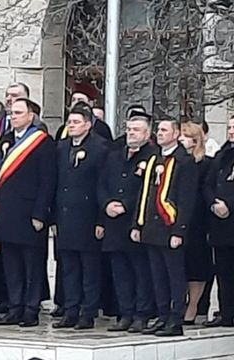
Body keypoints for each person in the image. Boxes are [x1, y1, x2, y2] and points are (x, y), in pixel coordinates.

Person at [0, 98, 56, 327]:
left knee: (32, 264)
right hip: (6, 212)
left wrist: (40, 214)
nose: (12, 116)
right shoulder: (5, 141)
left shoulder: (42, 142)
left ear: (31, 116)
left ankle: (30, 309)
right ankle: (15, 307)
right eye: (11, 113)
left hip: (29, 213)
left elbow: (48, 181)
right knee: (11, 264)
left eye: (17, 112)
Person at [131, 119, 198, 336]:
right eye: (158, 130)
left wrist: (179, 231)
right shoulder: (154, 158)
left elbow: (186, 200)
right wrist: (137, 224)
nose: (159, 134)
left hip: (170, 227)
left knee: (174, 275)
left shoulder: (184, 161)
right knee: (157, 275)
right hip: (151, 227)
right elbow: (144, 195)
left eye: (164, 130)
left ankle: (175, 318)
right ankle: (162, 315)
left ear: (176, 133)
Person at [98, 111, 157, 332]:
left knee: (140, 271)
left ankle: (142, 314)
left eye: (137, 130)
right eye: (129, 129)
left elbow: (146, 189)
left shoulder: (152, 156)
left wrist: (125, 205)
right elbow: (101, 183)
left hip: (135, 221)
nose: (131, 134)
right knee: (120, 271)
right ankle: (126, 313)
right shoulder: (115, 155)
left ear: (147, 133)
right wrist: (106, 204)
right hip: (113, 221)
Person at [52, 102, 108, 330]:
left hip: (87, 216)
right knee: (69, 267)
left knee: (89, 268)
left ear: (87, 125)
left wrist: (100, 220)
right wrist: (53, 218)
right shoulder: (62, 147)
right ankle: (70, 309)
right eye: (69, 122)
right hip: (65, 215)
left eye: (76, 122)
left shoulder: (101, 148)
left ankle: (88, 311)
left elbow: (103, 185)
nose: (71, 126)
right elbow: (56, 183)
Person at [178, 121, 212, 325]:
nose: (181, 139)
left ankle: (194, 306)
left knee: (196, 265)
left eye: (185, 135)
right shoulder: (178, 161)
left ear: (195, 140)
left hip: (199, 220)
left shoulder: (206, 163)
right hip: (179, 217)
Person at [205, 116, 234, 327]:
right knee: (223, 270)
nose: (231, 131)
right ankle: (226, 312)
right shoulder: (222, 155)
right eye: (230, 127)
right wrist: (214, 203)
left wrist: (229, 205)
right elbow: (208, 183)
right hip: (220, 224)